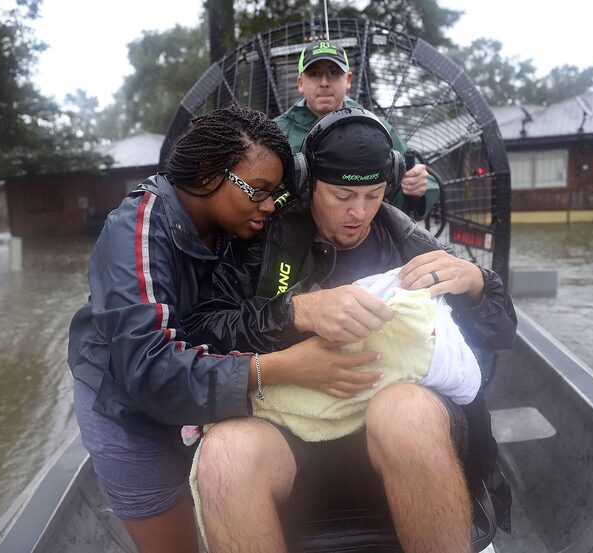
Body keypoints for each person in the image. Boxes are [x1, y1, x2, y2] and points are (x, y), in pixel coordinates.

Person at [183, 107, 517, 553]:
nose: (359, 213)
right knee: (224, 453)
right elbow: (201, 330)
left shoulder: (408, 241)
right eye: (341, 196)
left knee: (407, 412)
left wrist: (478, 285)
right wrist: (293, 313)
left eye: (375, 195)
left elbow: (498, 335)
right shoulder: (260, 241)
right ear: (307, 182)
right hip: (291, 441)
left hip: (390, 439)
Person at [66, 104, 380, 553]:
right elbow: (150, 370)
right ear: (211, 173)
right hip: (128, 410)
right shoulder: (136, 232)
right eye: (259, 191)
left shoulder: (234, 222)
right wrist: (282, 367)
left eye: (276, 194)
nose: (271, 206)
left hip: (206, 389)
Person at [275, 39, 440, 219]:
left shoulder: (378, 128)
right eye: (314, 74)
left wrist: (416, 186)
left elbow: (407, 187)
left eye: (334, 73)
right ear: (300, 82)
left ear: (348, 80)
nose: (324, 82)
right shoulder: (276, 132)